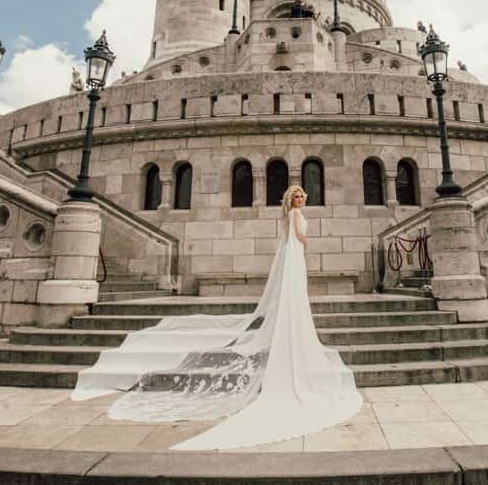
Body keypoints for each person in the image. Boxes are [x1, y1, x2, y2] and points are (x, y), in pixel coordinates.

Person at [72, 185, 362, 450]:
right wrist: (307, 242)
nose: (300, 200)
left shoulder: (287, 216)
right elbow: (300, 238)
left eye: (301, 196)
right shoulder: (297, 215)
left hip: (291, 259)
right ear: (293, 200)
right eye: (297, 196)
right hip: (296, 257)